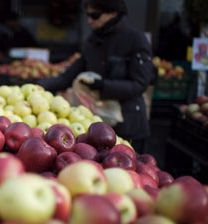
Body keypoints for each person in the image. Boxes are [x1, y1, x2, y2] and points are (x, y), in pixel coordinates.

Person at [38, 0, 155, 153]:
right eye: (87, 15)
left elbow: (140, 83)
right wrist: (39, 85)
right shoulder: (92, 41)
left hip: (129, 125)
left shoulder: (135, 39)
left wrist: (103, 85)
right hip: (99, 125)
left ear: (113, 12)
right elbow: (68, 77)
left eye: (95, 15)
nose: (89, 20)